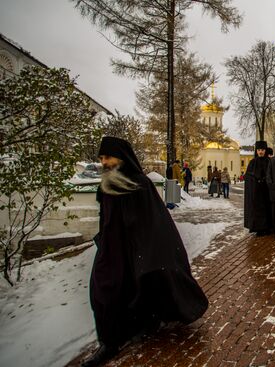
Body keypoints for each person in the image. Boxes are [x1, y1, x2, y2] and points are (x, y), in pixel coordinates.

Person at [82, 137, 208, 367]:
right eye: (101, 158)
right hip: (113, 249)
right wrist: (103, 240)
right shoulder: (107, 184)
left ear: (121, 158)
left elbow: (154, 220)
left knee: (141, 285)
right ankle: (109, 341)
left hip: (139, 247)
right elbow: (106, 219)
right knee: (103, 289)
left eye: (107, 157)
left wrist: (151, 249)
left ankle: (135, 327)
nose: (104, 163)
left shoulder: (139, 184)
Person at [244, 141, 272, 236]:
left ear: (265, 150)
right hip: (256, 192)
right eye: (259, 150)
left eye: (262, 150)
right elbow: (247, 177)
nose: (260, 152)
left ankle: (268, 227)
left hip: (267, 191)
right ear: (256, 151)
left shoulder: (270, 162)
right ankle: (259, 228)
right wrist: (254, 179)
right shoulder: (252, 163)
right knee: (258, 211)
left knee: (268, 209)